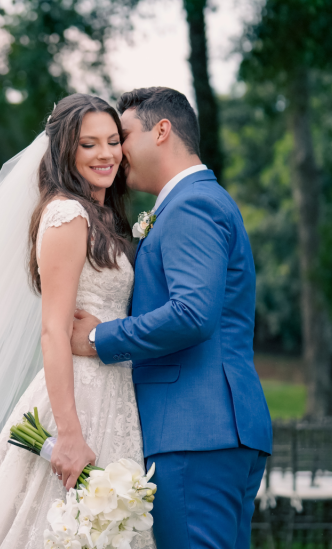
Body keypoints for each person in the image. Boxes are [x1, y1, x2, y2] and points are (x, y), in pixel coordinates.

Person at [0, 93, 152, 549]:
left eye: (112, 141)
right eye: (88, 144)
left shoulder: (103, 216)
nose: (106, 154)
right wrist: (69, 435)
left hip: (114, 389)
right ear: (65, 151)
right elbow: (53, 330)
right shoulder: (67, 215)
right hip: (79, 398)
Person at [69, 87, 272, 549]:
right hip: (215, 427)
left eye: (122, 136)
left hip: (196, 428)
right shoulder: (191, 202)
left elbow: (191, 314)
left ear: (162, 131)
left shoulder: (191, 205)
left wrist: (100, 338)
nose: (116, 153)